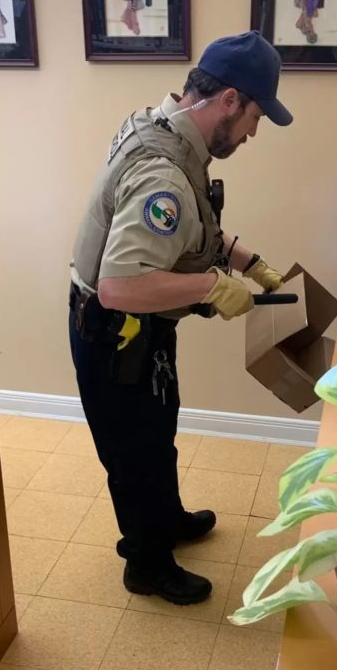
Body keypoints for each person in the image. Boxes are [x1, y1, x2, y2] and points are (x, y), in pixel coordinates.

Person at [69, 31, 292, 605]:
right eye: (255, 117)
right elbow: (119, 286)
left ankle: (165, 519)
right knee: (133, 452)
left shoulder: (163, 127)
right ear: (230, 100)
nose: (253, 133)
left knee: (157, 430)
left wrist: (248, 262)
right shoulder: (162, 175)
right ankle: (146, 564)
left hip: (146, 328)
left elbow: (192, 228)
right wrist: (212, 286)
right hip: (114, 331)